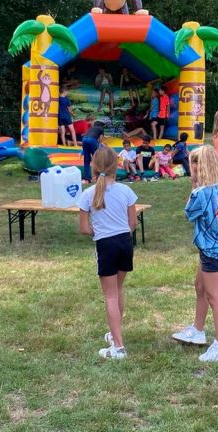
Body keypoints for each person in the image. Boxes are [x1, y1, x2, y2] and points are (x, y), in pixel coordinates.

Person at [172, 145, 218, 362]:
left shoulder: (200, 193)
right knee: (200, 287)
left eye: (193, 164)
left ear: (200, 166)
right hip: (213, 247)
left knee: (213, 297)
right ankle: (197, 330)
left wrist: (193, 185)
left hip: (211, 250)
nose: (191, 168)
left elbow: (189, 214)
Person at [78, 146, 138, 360]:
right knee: (118, 290)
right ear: (116, 165)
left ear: (93, 166)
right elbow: (133, 222)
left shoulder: (87, 194)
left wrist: (101, 231)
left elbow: (84, 228)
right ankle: (114, 335)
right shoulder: (126, 191)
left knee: (110, 296)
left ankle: (118, 348)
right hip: (125, 243)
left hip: (106, 245)